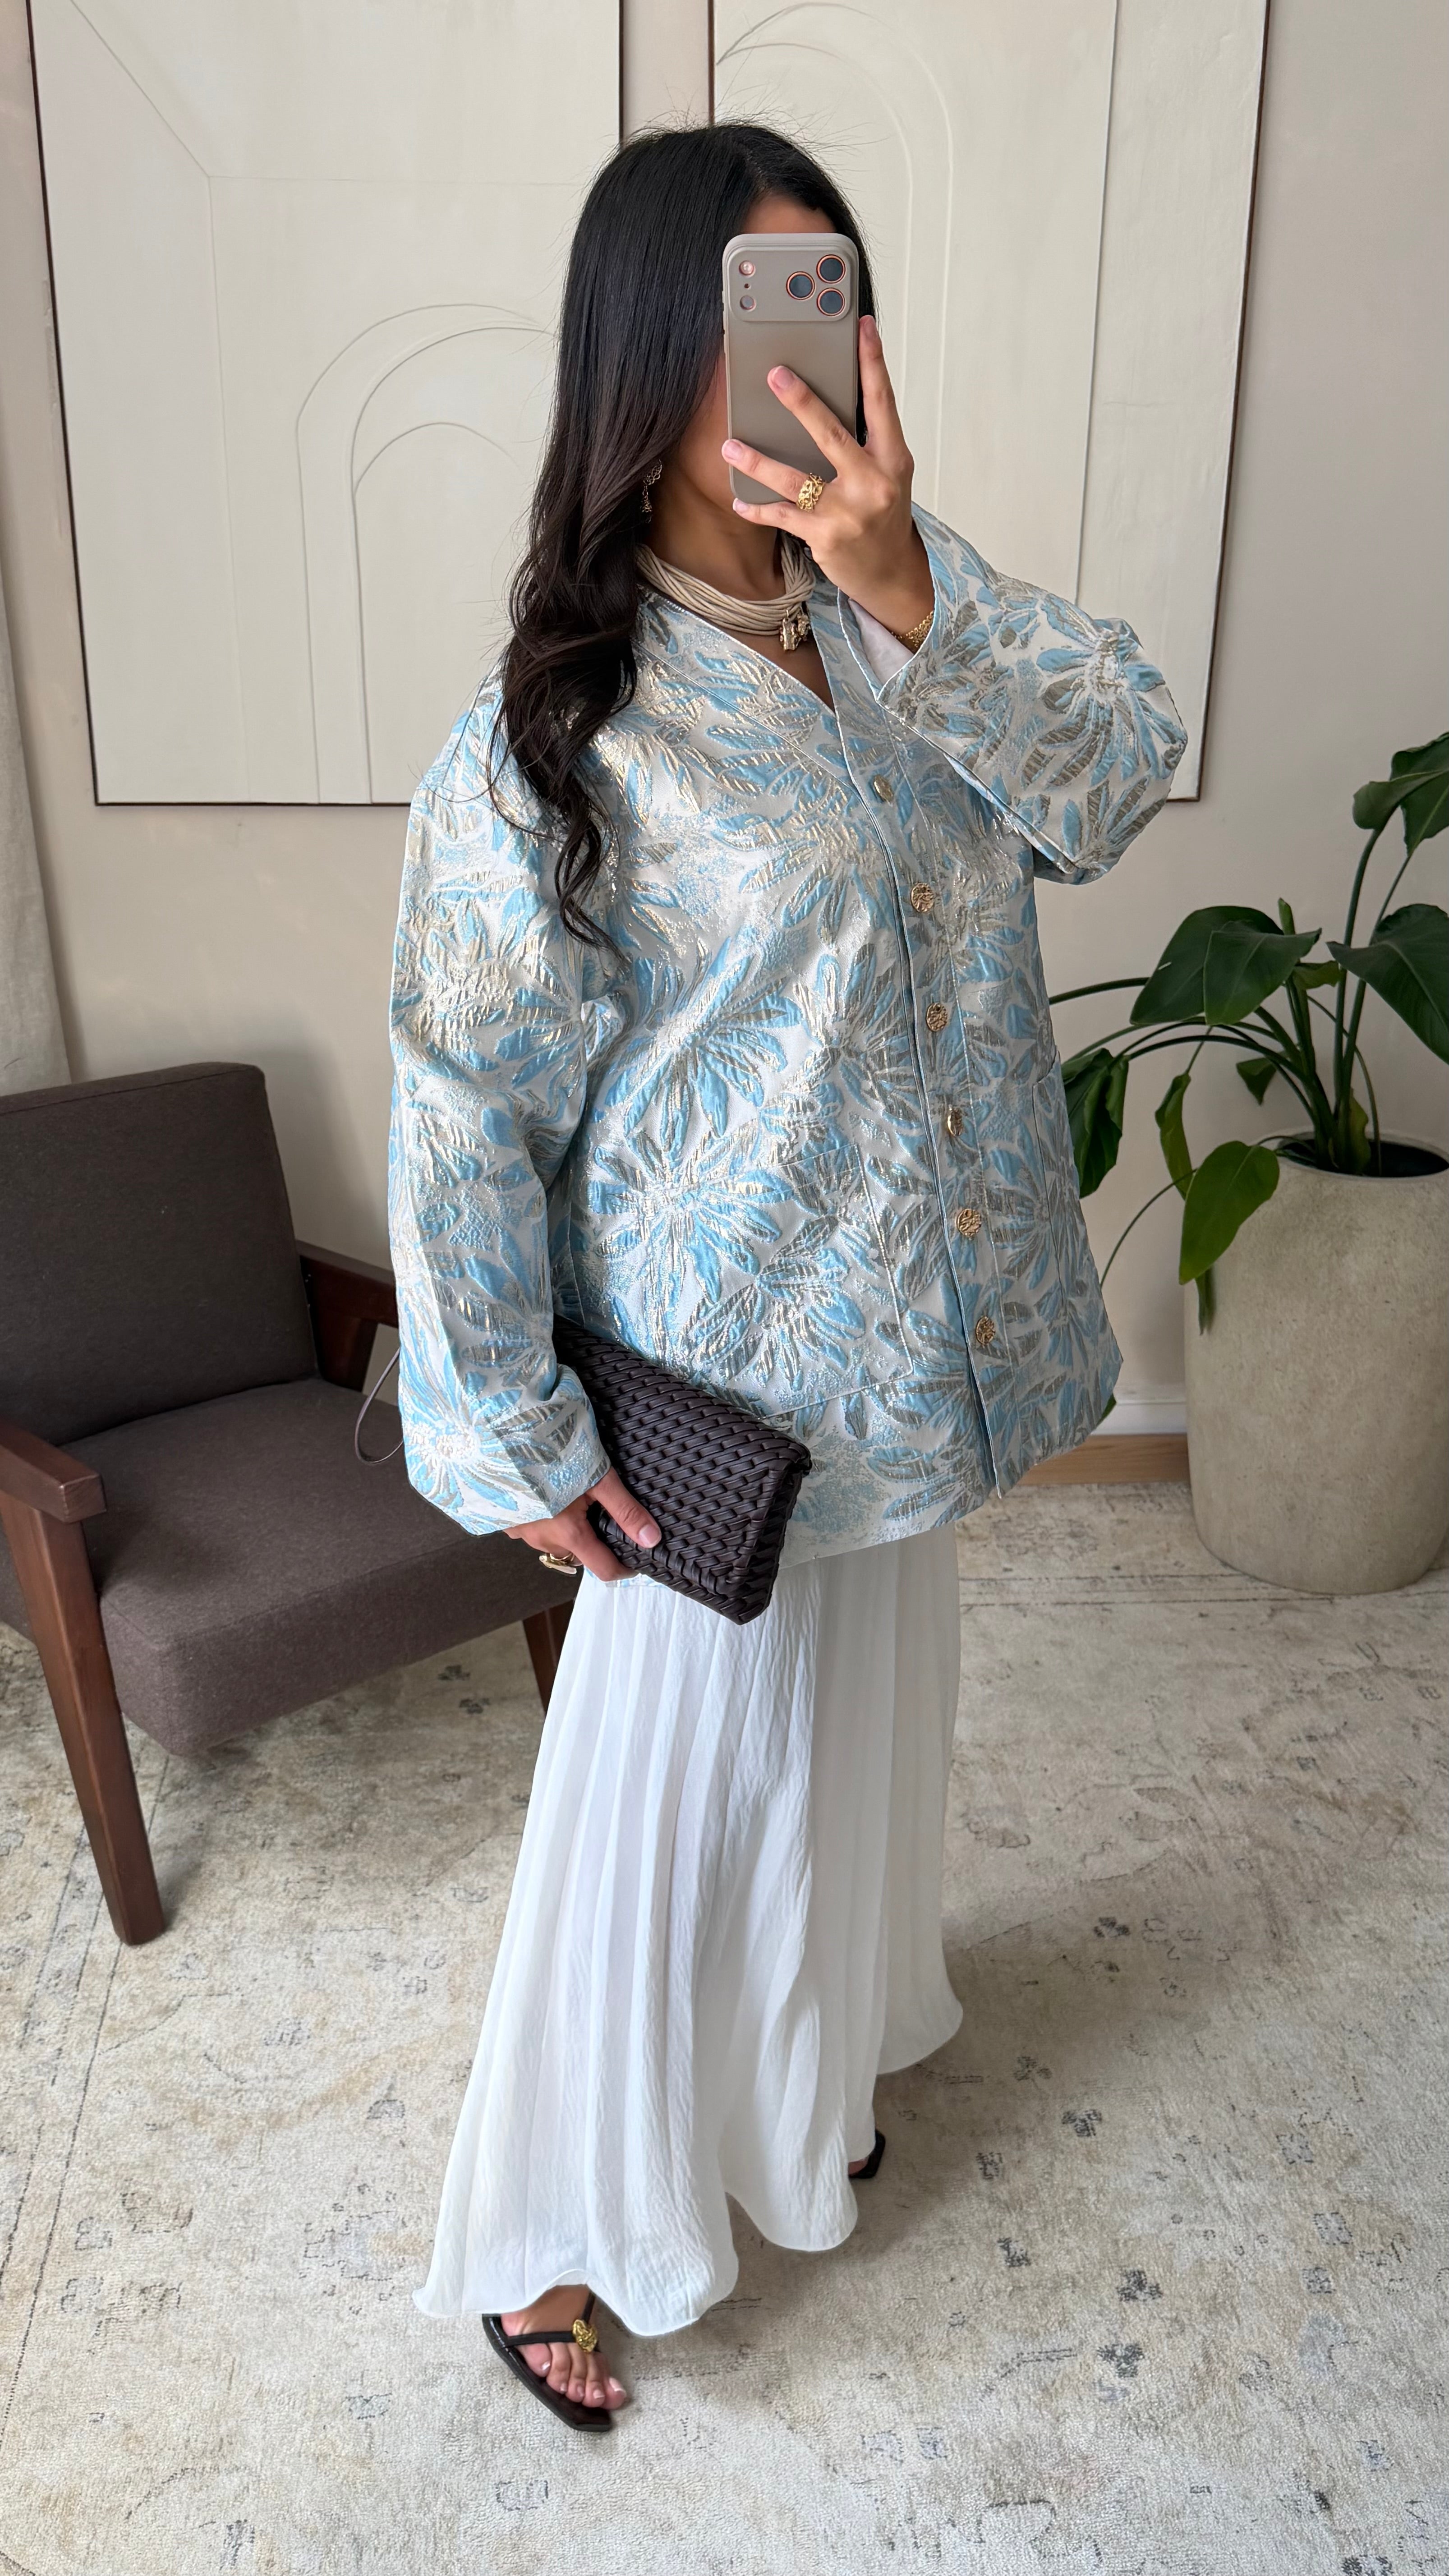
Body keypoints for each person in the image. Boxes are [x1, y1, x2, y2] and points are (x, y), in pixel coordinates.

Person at [388, 122, 1186, 2432]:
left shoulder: (904, 623)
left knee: (850, 1773)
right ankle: (554, 2231)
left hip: (913, 1374)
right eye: (754, 310)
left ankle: (793, 2098)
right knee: (666, 1818)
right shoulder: (558, 734)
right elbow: (462, 1107)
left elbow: (1121, 775)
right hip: (716, 1422)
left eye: (828, 300)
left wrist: (911, 580)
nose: (804, 361)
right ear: (653, 355)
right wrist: (517, 1430)